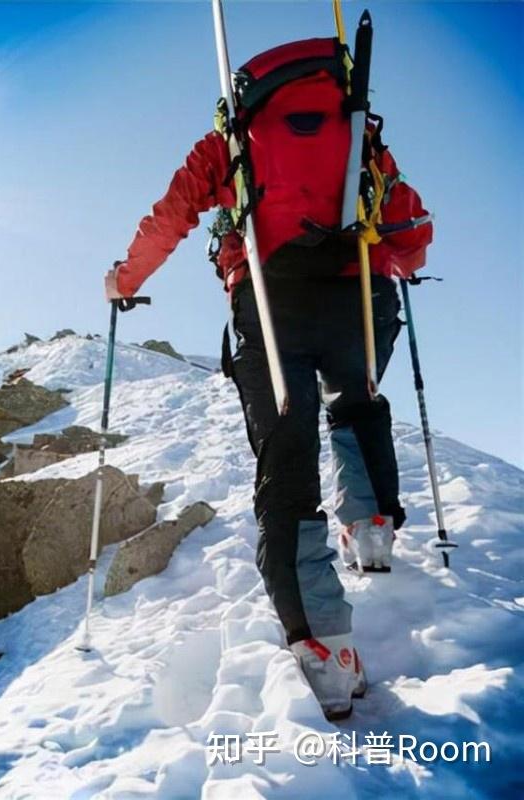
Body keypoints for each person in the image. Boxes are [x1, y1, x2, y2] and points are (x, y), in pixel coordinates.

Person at [103, 37, 432, 720]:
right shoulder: (355, 125)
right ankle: (371, 527)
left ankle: (324, 646)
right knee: (358, 402)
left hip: (271, 303)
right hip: (361, 296)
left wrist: (124, 280)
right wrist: (394, 262)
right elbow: (408, 222)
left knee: (287, 461)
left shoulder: (227, 142)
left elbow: (172, 215)